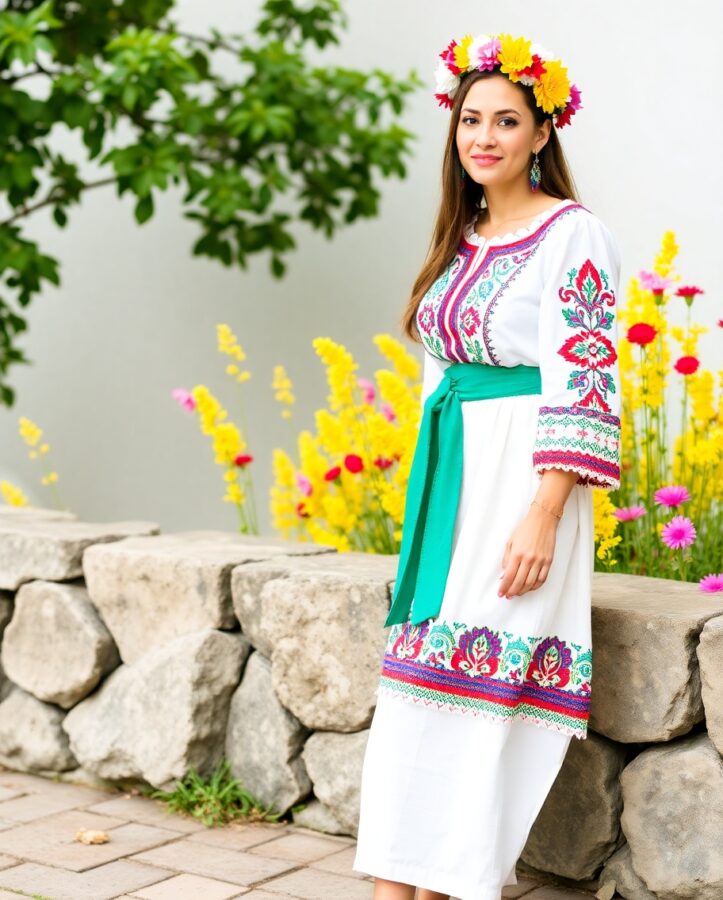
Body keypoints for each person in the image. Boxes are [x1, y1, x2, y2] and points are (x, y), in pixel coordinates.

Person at [352, 31, 622, 900]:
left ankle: (446, 885)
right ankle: (398, 889)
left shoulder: (571, 236)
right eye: (472, 119)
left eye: (507, 121)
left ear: (542, 134)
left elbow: (584, 380)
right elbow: (441, 372)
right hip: (456, 477)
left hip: (524, 480)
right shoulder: (463, 235)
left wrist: (543, 513)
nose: (485, 137)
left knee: (479, 693)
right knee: (418, 683)